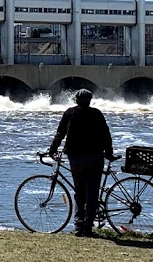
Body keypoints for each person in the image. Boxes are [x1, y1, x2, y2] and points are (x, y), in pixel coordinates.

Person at [46, 88, 114, 237]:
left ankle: (78, 227)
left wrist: (52, 150)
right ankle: (88, 228)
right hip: (96, 157)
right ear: (90, 100)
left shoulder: (70, 113)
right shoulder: (96, 113)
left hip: (76, 158)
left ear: (76, 100)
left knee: (79, 192)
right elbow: (105, 134)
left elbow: (60, 133)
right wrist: (109, 153)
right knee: (92, 192)